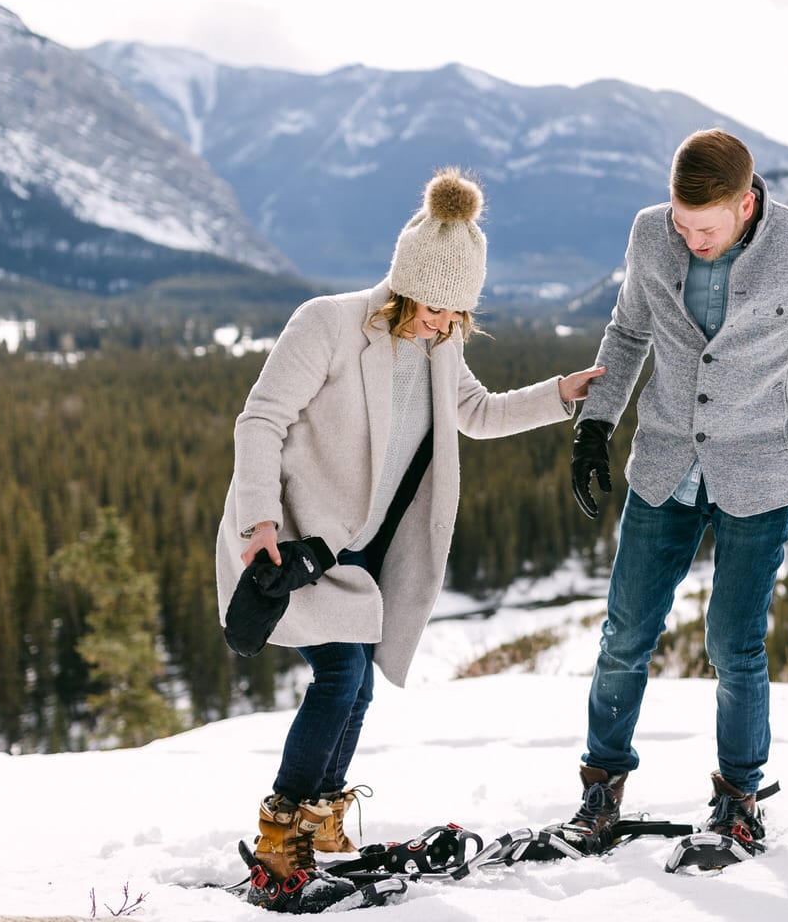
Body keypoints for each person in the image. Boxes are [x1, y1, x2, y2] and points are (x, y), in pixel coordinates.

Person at [214, 168, 604, 910]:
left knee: (358, 687)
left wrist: (560, 395)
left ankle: (324, 815)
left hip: (361, 555)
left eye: (459, 314)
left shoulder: (439, 347)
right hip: (291, 541)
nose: (445, 324)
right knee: (339, 679)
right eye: (435, 309)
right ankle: (280, 824)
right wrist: (257, 521)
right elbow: (259, 420)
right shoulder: (326, 324)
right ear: (402, 288)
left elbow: (479, 414)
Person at [561, 129, 788, 861]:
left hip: (760, 471)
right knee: (626, 632)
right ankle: (601, 786)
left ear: (746, 202)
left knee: (735, 643)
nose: (689, 237)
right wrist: (596, 423)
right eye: (679, 221)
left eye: (707, 226)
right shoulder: (649, 233)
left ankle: (738, 800)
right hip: (665, 461)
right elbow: (629, 329)